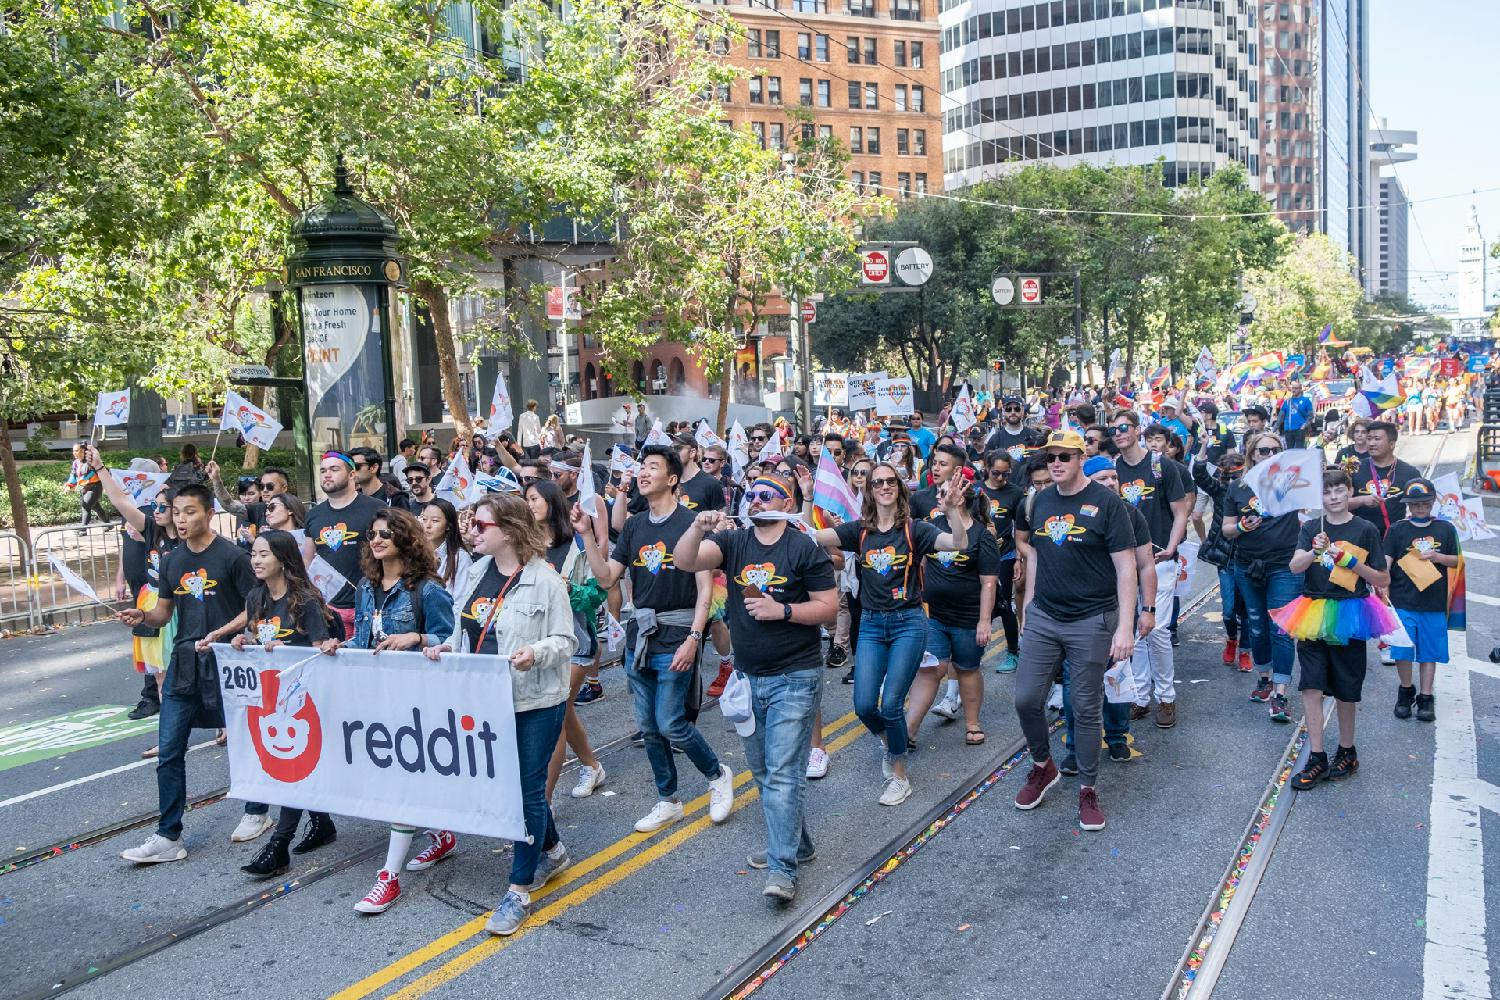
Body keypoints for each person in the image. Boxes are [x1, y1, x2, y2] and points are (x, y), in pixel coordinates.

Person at [674, 473, 839, 902]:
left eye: (766, 493)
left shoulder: (804, 547)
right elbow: (685, 562)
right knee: (764, 771)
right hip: (748, 680)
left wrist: (780, 609)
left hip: (796, 677)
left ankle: (783, 868)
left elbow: (829, 609)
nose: (755, 498)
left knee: (783, 772)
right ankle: (797, 845)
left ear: (786, 504)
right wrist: (696, 526)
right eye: (750, 493)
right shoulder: (733, 542)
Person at [424, 494, 577, 935]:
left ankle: (518, 889)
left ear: (508, 531)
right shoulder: (474, 573)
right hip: (485, 700)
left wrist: (537, 652)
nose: (473, 531)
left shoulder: (544, 580)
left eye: (482, 525)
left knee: (524, 790)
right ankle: (552, 850)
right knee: (510, 785)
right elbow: (465, 629)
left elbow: (566, 642)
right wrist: (445, 649)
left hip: (534, 701)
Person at [579, 445, 736, 833]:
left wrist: (694, 638)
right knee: (649, 726)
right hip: (641, 636)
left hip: (679, 633)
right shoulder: (634, 525)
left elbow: (705, 591)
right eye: (642, 467)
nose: (643, 473)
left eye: (653, 467)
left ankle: (718, 775)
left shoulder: (691, 522)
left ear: (672, 478)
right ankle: (668, 800)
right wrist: (586, 535)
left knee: (670, 722)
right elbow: (606, 578)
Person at [116, 484, 271, 863]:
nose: (182, 519)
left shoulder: (234, 557)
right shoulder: (171, 561)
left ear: (209, 513)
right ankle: (169, 836)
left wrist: (222, 632)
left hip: (228, 662)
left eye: (190, 512)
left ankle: (257, 810)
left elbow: (256, 608)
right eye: (177, 512)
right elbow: (164, 613)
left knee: (243, 742)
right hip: (185, 664)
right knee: (169, 751)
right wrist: (143, 616)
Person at [813, 462, 973, 806]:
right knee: (863, 705)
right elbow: (816, 535)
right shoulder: (859, 530)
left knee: (891, 705)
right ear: (869, 490)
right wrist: (801, 507)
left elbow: (958, 543)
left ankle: (899, 775)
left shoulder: (917, 530)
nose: (884, 486)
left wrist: (954, 510)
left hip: (909, 623)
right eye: (877, 482)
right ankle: (893, 740)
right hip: (870, 624)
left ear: (899, 488)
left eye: (890, 481)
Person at [1009, 429, 1136, 832]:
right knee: (1026, 698)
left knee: (1084, 709)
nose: (1057, 463)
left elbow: (1126, 567)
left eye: (1065, 456)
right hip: (1045, 615)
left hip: (1091, 619)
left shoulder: (1108, 503)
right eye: (1051, 458)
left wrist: (1125, 627)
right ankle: (1042, 766)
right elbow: (1036, 558)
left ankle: (1087, 788)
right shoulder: (1039, 501)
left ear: (1081, 458)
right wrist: (1028, 606)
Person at [347, 508, 457, 914]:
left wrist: (417, 636)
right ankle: (443, 833)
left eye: (386, 534)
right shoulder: (365, 587)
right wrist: (336, 648)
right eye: (373, 534)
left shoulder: (427, 589)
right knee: (401, 781)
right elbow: (361, 640)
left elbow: (452, 638)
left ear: (405, 539)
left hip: (419, 702)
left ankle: (388, 878)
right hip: (377, 699)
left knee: (402, 786)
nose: (377, 540)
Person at [232, 531, 343, 878]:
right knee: (287, 769)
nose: (256, 560)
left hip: (304, 701)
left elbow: (319, 649)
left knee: (292, 771)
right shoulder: (255, 597)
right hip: (271, 698)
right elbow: (255, 637)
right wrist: (242, 642)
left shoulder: (305, 600)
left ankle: (279, 844)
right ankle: (322, 823)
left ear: (282, 557)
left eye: (264, 554)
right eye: (253, 554)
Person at [1279, 470, 1392, 789]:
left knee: (1346, 688)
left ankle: (1347, 750)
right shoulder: (1313, 527)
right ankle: (1316, 756)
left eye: (1339, 491)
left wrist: (1351, 562)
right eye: (1327, 493)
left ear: (1350, 492)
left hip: (1351, 612)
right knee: (1311, 686)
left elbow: (1381, 579)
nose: (1333, 497)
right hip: (1313, 611)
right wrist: (1315, 551)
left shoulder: (1365, 528)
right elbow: (1294, 566)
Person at [905, 467, 999, 748]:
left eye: (944, 492)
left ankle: (972, 723)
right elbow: (919, 565)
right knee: (931, 669)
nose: (938, 496)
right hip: (934, 616)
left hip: (968, 618)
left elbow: (989, 583)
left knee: (967, 668)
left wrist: (984, 621)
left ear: (959, 498)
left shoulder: (982, 536)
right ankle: (908, 730)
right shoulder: (931, 527)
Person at [525, 481, 606, 800]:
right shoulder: (524, 544)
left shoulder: (576, 545)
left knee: (553, 716)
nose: (529, 504)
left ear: (551, 502)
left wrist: (570, 590)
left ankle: (541, 806)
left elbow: (598, 591)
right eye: (526, 499)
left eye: (534, 498)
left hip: (574, 643)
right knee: (564, 709)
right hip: (535, 644)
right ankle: (591, 765)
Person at [1109, 409, 1189, 728]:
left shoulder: (1160, 465)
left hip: (1159, 561)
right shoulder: (1113, 468)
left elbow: (1180, 512)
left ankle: (1166, 698)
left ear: (1138, 430)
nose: (1118, 433)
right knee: (1134, 630)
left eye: (1124, 427)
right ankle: (1141, 696)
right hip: (1127, 562)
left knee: (1155, 630)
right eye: (1113, 429)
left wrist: (1170, 547)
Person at [92, 449, 177, 726]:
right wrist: (100, 467)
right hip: (150, 600)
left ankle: (221, 723)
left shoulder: (189, 541)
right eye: (157, 506)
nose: (158, 510)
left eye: (165, 506)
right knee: (160, 671)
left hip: (179, 607)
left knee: (187, 668)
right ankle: (168, 730)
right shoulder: (151, 527)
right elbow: (119, 501)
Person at [1383, 478, 1460, 723]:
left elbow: (1457, 560)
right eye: (1414, 504)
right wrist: (1381, 584)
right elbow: (1387, 561)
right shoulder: (1397, 529)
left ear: (1433, 501)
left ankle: (1426, 696)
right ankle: (1406, 690)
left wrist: (1437, 556)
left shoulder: (1446, 529)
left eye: (1425, 503)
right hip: (1403, 599)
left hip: (1434, 602)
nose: (1420, 508)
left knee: (1429, 652)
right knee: (1402, 649)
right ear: (1407, 505)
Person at [302, 452, 388, 637]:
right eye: (323, 470)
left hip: (371, 604)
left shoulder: (376, 508)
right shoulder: (313, 515)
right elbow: (307, 561)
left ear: (351, 475)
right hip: (329, 608)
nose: (327, 474)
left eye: (334, 469)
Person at [1191, 448, 1252, 672]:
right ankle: (1231, 639)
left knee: (1246, 611)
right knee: (1228, 611)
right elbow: (1200, 477)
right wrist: (1202, 449)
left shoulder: (1254, 492)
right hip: (1226, 560)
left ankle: (1245, 651)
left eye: (1236, 476)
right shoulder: (1220, 492)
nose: (1231, 481)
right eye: (1227, 477)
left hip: (1248, 559)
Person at [979, 451, 1024, 674]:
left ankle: (1013, 651)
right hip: (978, 555)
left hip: (1004, 554)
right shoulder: (976, 490)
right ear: (986, 468)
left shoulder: (1015, 493)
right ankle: (974, 650)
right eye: (995, 473)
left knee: (1005, 603)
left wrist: (1018, 558)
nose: (1000, 478)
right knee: (976, 604)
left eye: (1005, 474)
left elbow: (1021, 529)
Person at [1349, 421, 1421, 539]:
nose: (1371, 443)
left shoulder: (1410, 473)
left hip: (1397, 539)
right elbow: (1338, 504)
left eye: (1377, 439)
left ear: (1392, 444)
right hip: (1361, 539)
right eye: (1369, 438)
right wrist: (1361, 500)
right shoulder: (1353, 469)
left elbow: (1421, 506)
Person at [417, 497, 471, 596]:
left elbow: (460, 601)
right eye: (424, 519)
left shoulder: (460, 558)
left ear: (448, 526)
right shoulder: (415, 553)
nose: (427, 525)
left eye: (435, 521)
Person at [65, 444, 111, 528]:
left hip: (94, 487)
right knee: (96, 507)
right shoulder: (76, 463)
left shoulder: (91, 461)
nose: (74, 453)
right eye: (73, 451)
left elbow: (101, 472)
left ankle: (83, 529)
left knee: (85, 506)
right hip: (84, 489)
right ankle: (108, 524)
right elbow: (74, 476)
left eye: (76, 451)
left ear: (83, 451)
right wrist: (69, 486)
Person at [986, 396, 1043, 462]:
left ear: (1022, 410)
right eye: (1008, 409)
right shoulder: (995, 440)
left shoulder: (1036, 437)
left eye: (1017, 408)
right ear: (1003, 411)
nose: (1013, 412)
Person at [1276, 381, 1314, 448]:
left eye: (1296, 388)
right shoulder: (1287, 401)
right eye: (1293, 388)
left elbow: (1310, 416)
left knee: (1299, 451)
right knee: (1289, 451)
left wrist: (1304, 425)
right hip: (1288, 430)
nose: (1293, 390)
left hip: (1300, 430)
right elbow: (1280, 418)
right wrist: (1274, 429)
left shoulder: (1306, 401)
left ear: (1300, 389)